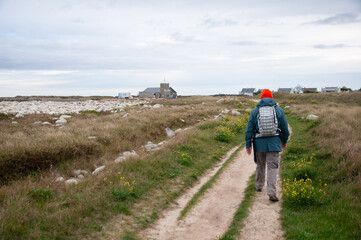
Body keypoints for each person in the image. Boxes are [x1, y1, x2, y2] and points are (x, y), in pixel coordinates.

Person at [245, 89, 290, 202]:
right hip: (274, 143)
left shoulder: (255, 111)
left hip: (259, 144)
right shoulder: (278, 110)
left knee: (260, 164)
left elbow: (249, 129)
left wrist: (248, 145)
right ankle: (272, 193)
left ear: (261, 98)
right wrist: (284, 141)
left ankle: (259, 186)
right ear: (271, 97)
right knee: (272, 167)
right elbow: (285, 129)